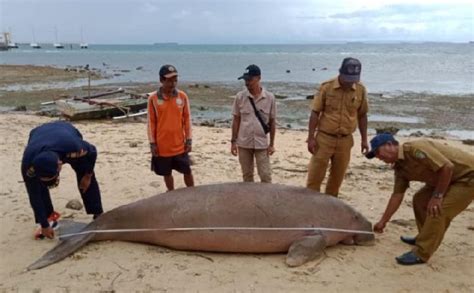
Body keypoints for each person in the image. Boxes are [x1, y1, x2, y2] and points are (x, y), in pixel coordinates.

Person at [367, 133, 474, 265]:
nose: (378, 157)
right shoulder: (400, 168)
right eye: (375, 155)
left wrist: (437, 196)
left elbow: (447, 167)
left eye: (377, 152)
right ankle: (424, 236)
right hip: (445, 180)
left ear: (390, 145)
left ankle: (422, 253)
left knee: (438, 210)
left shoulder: (415, 149)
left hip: (467, 177)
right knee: (419, 200)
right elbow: (397, 195)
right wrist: (383, 221)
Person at [21, 121, 104, 239]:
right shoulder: (29, 164)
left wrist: (88, 175)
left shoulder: (74, 148)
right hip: (38, 135)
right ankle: (49, 218)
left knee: (84, 173)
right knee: (38, 186)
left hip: (66, 131)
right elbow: (33, 194)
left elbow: (92, 151)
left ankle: (98, 214)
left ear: (60, 165)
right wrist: (44, 225)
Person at [306, 57, 369, 196]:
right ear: (340, 73)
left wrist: (364, 139)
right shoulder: (327, 87)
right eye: (347, 79)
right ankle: (310, 208)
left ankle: (330, 209)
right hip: (324, 139)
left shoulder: (360, 90)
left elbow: (362, 115)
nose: (349, 83)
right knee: (314, 178)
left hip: (345, 141)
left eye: (353, 79)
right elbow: (315, 112)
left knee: (336, 180)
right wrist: (311, 137)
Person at [147, 64, 194, 191]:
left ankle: (192, 193)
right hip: (162, 146)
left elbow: (187, 119)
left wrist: (189, 140)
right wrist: (152, 144)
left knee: (187, 171)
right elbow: (151, 122)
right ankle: (171, 194)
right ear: (161, 80)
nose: (173, 83)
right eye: (169, 80)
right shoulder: (153, 99)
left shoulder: (182, 96)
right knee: (167, 173)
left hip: (180, 145)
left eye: (175, 80)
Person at [230, 64, 277, 183]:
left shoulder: (270, 98)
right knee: (247, 176)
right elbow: (236, 120)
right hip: (244, 143)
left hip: (262, 144)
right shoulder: (240, 97)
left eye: (250, 79)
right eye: (245, 80)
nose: (247, 83)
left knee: (265, 175)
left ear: (259, 78)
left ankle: (266, 200)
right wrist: (233, 141)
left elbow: (272, 122)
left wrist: (271, 144)